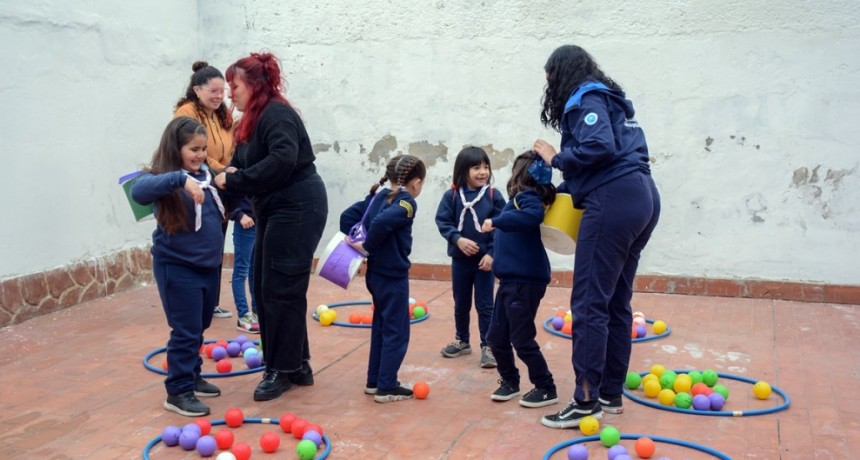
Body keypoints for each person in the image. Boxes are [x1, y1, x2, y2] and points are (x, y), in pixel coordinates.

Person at [533, 45, 661, 429]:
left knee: (589, 302)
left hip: (614, 199)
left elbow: (598, 146)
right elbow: (612, 150)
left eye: (550, 78)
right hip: (643, 197)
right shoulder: (611, 101)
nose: (549, 86)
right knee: (616, 301)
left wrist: (556, 159)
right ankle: (610, 394)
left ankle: (585, 400)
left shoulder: (586, 97)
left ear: (564, 72)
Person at [214, 52, 328, 402]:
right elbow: (249, 162)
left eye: (234, 85)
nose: (231, 92)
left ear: (253, 84)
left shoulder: (276, 113)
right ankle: (296, 364)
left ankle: (281, 369)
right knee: (270, 288)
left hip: (297, 207)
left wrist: (237, 180)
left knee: (280, 288)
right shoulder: (253, 118)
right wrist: (234, 173)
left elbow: (282, 160)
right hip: (277, 208)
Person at [131, 117, 232, 417]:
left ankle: (193, 375)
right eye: (193, 149)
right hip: (177, 267)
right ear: (176, 149)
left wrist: (235, 187)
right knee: (185, 330)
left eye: (203, 149)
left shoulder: (205, 175)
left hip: (207, 265)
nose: (200, 155)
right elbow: (139, 191)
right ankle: (178, 391)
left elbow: (225, 205)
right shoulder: (166, 179)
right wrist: (180, 179)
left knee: (199, 327)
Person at [340, 155, 426, 403]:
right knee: (396, 331)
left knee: (381, 325)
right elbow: (382, 222)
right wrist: (366, 246)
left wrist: (357, 245)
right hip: (392, 275)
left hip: (376, 274)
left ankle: (374, 380)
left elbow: (348, 216)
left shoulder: (377, 197)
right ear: (417, 182)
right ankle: (387, 386)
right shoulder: (406, 202)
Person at [481, 151, 559, 409]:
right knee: (495, 337)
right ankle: (510, 381)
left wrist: (496, 221)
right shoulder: (517, 201)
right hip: (510, 281)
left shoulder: (527, 199)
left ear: (519, 174)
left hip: (524, 283)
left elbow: (532, 216)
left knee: (521, 338)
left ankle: (545, 387)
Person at [174, 61, 235, 319]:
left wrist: (231, 169)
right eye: (213, 91)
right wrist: (222, 170)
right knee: (199, 241)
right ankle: (195, 301)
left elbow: (232, 147)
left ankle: (211, 301)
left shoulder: (221, 114)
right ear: (197, 90)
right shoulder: (186, 113)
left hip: (219, 184)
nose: (219, 96)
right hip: (197, 183)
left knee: (216, 243)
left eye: (222, 91)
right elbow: (195, 151)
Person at [435, 146, 505, 368]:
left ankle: (488, 345)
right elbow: (443, 221)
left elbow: (502, 226)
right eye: (476, 167)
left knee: (485, 305)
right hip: (460, 262)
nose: (483, 172)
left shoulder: (494, 195)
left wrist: (493, 254)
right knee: (460, 303)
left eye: (486, 167)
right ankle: (462, 340)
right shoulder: (452, 195)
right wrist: (457, 239)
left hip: (484, 263)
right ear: (463, 170)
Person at [230, 197, 259, 333]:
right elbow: (225, 198)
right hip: (245, 225)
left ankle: (256, 312)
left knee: (255, 270)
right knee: (241, 271)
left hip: (259, 222)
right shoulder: (233, 174)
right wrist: (239, 214)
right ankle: (243, 316)